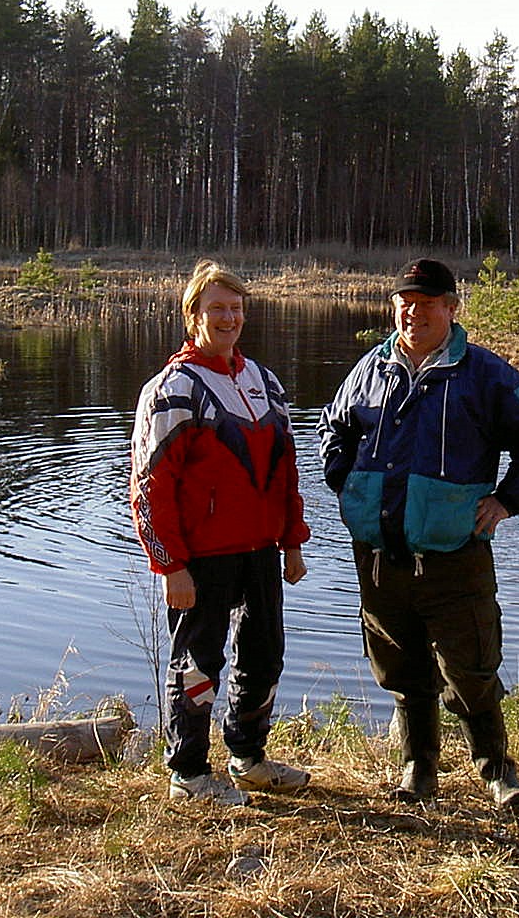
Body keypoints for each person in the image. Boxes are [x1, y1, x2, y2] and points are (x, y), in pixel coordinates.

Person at [318, 257, 519, 808]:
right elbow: (332, 429)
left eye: (428, 303)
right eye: (406, 303)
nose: (414, 313)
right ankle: (418, 771)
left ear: (452, 310)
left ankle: (498, 771)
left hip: (456, 551)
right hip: (382, 554)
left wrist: (508, 499)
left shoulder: (482, 373)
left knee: (471, 666)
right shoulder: (369, 370)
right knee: (401, 668)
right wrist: (352, 489)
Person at [129, 260, 311, 805]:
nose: (227, 318)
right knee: (197, 664)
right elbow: (148, 486)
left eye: (235, 308)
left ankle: (248, 759)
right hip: (201, 559)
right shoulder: (172, 389)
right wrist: (170, 566)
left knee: (265, 656)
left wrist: (293, 540)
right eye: (216, 309)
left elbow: (285, 469)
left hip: (259, 551)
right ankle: (188, 773)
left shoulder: (264, 382)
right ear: (193, 316)